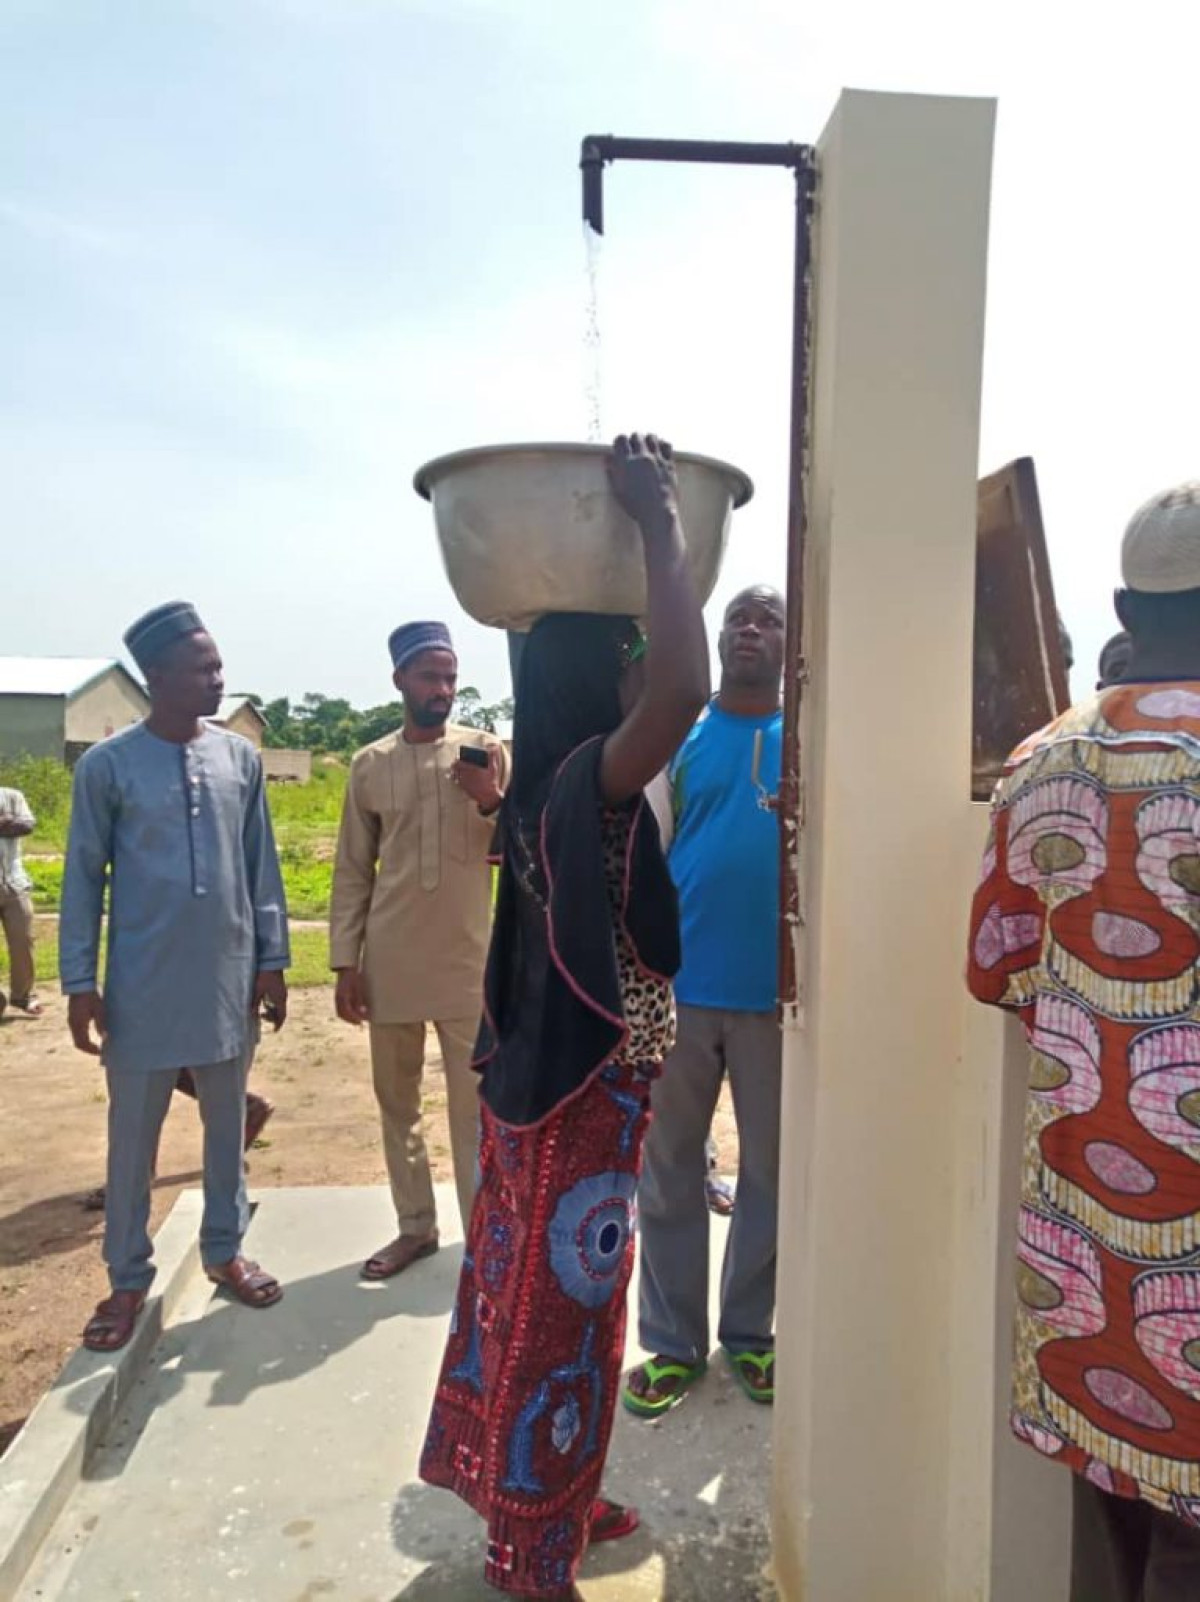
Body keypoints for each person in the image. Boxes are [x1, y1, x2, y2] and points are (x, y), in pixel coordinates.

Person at [420, 432, 709, 1601]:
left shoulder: (550, 786)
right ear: (594, 690)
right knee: (557, 1314)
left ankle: (562, 1493)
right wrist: (657, 527)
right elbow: (685, 690)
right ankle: (529, 1546)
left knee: (559, 1301)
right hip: (578, 1092)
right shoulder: (586, 782)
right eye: (623, 659)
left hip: (551, 1084)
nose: (644, 673)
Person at [968, 481, 1200, 1602]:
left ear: (1124, 601)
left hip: (1086, 1246)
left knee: (1106, 1523)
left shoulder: (1041, 760)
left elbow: (994, 970)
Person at [61, 601, 290, 1352]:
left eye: (218, 666)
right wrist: (79, 982)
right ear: (156, 677)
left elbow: (263, 867)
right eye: (202, 669)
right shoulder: (108, 766)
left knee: (225, 1130)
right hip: (140, 988)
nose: (217, 679)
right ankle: (127, 1279)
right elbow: (82, 881)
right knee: (133, 1141)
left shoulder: (239, 760)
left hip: (226, 981)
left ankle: (225, 1250)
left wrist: (272, 959)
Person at [625, 585, 785, 1417]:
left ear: (792, 645)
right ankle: (673, 1344)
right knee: (670, 1170)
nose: (750, 631)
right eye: (738, 620)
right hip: (681, 992)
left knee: (771, 1172)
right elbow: (649, 852)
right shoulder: (680, 743)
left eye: (769, 621)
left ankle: (751, 1336)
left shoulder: (811, 744)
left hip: (777, 1001)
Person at [330, 621, 508, 1278]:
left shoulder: (487, 751)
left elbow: (518, 849)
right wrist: (347, 961)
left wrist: (491, 800)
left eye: (451, 677)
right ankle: (414, 1228)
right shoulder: (371, 765)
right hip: (393, 962)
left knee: (475, 1110)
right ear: (400, 679)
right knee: (397, 1101)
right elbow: (353, 867)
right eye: (431, 676)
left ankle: (483, 1236)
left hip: (469, 963)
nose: (443, 689)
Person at [0, 784, 41, 1018]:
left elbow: (27, 825)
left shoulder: (12, 795)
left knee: (23, 941)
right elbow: (14, 826)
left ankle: (22, 996)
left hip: (14, 883)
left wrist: (8, 823)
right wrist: (6, 823)